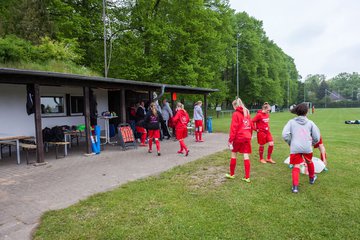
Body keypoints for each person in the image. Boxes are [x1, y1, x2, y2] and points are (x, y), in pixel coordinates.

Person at [282, 103, 321, 193]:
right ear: (307, 112)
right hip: (307, 147)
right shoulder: (310, 123)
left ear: (297, 112)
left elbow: (284, 134)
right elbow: (317, 137)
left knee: (296, 165)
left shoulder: (291, 122)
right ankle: (311, 178)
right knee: (309, 161)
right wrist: (312, 143)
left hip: (295, 147)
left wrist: (290, 142)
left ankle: (295, 187)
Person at [226, 97, 253, 183]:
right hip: (247, 137)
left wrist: (230, 140)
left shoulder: (236, 114)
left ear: (235, 106)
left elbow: (233, 128)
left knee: (234, 154)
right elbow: (251, 126)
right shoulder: (247, 113)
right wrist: (249, 135)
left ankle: (232, 174)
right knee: (246, 155)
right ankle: (247, 177)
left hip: (239, 138)